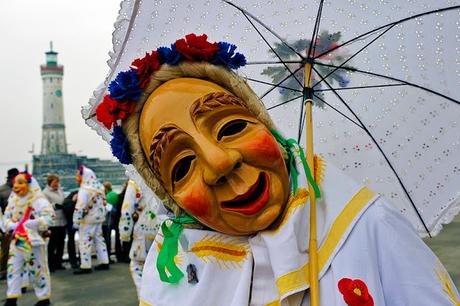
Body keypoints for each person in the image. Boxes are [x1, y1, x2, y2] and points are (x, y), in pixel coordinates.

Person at [92, 35, 460, 305]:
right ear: (173, 202)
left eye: (232, 127)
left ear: (269, 129)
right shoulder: (173, 273)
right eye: (183, 165)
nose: (220, 162)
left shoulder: (367, 227)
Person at [3, 172, 55, 306]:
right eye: (15, 183)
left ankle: (43, 298)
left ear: (28, 184)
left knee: (38, 269)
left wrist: (37, 223)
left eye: (20, 183)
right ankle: (12, 298)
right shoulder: (13, 200)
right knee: (13, 268)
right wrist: (10, 225)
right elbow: (6, 218)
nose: (16, 186)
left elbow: (50, 217)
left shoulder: (38, 200)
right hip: (17, 240)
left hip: (34, 241)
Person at [119, 180, 160, 298]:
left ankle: (146, 299)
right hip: (162, 230)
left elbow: (127, 210)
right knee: (158, 266)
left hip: (142, 232)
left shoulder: (135, 181)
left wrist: (124, 234)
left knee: (138, 265)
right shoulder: (157, 175)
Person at [73, 165, 109, 274]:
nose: (77, 177)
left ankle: (85, 265)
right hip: (99, 218)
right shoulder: (100, 187)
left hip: (87, 220)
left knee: (85, 241)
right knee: (99, 240)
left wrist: (76, 220)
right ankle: (104, 261)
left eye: (78, 175)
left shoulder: (84, 190)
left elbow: (80, 206)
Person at [42, 173, 66, 272]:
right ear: (50, 182)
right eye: (55, 182)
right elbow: (44, 206)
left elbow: (64, 200)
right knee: (52, 244)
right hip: (53, 222)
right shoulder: (45, 193)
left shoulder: (60, 190)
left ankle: (58, 263)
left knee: (61, 243)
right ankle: (51, 265)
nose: (57, 184)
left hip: (62, 220)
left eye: (58, 182)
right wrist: (55, 206)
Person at [0, 168, 19, 280]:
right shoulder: (2, 190)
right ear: (12, 178)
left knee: (18, 249)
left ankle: (16, 269)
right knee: (5, 249)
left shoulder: (20, 188)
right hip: (6, 224)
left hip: (18, 224)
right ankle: (2, 270)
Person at [62, 190, 79, 269]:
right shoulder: (69, 200)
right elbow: (67, 210)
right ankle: (73, 261)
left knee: (79, 241)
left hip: (78, 222)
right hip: (71, 222)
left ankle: (79, 259)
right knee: (71, 241)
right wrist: (73, 201)